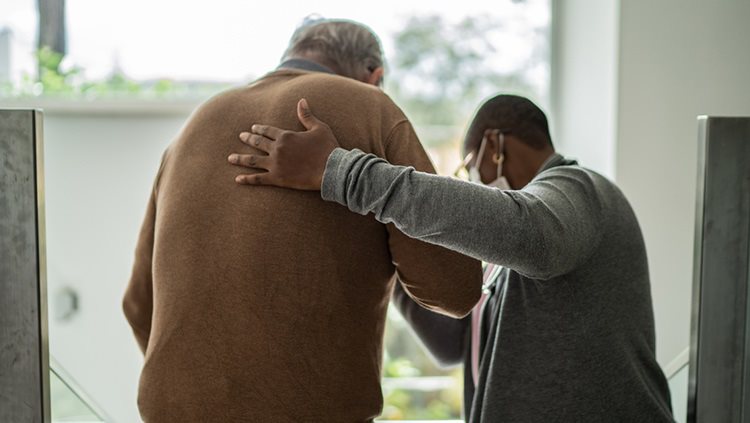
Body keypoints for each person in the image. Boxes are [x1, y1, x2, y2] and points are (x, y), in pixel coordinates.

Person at [227, 95, 675, 422]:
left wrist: (341, 173)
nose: (474, 180)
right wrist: (393, 242)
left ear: (494, 145)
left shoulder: (581, 189)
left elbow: (529, 234)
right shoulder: (510, 260)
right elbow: (452, 343)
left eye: (469, 167)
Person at [123, 18, 482, 422]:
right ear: (374, 76)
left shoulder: (193, 127)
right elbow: (454, 287)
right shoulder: (371, 107)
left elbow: (137, 305)